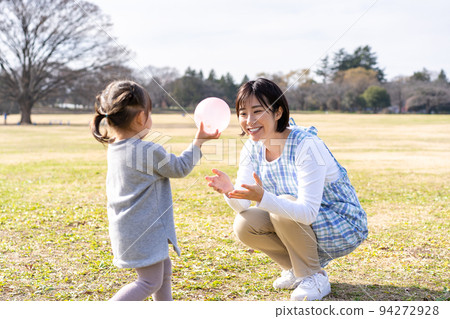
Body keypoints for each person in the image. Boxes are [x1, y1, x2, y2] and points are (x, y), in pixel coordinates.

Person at [206, 78, 368, 301]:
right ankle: (296, 271)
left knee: (281, 204)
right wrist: (229, 191)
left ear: (278, 112)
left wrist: (264, 197)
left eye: (257, 111)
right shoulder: (252, 148)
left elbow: (308, 212)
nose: (249, 120)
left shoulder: (306, 145)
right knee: (244, 223)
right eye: (243, 113)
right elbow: (242, 204)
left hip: (340, 224)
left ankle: (314, 276)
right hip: (300, 223)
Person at [91, 80, 219, 301]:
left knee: (163, 272)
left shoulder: (115, 147)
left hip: (130, 228)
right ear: (141, 117)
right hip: (143, 231)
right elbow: (179, 168)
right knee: (148, 282)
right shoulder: (147, 150)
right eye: (149, 113)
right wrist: (199, 142)